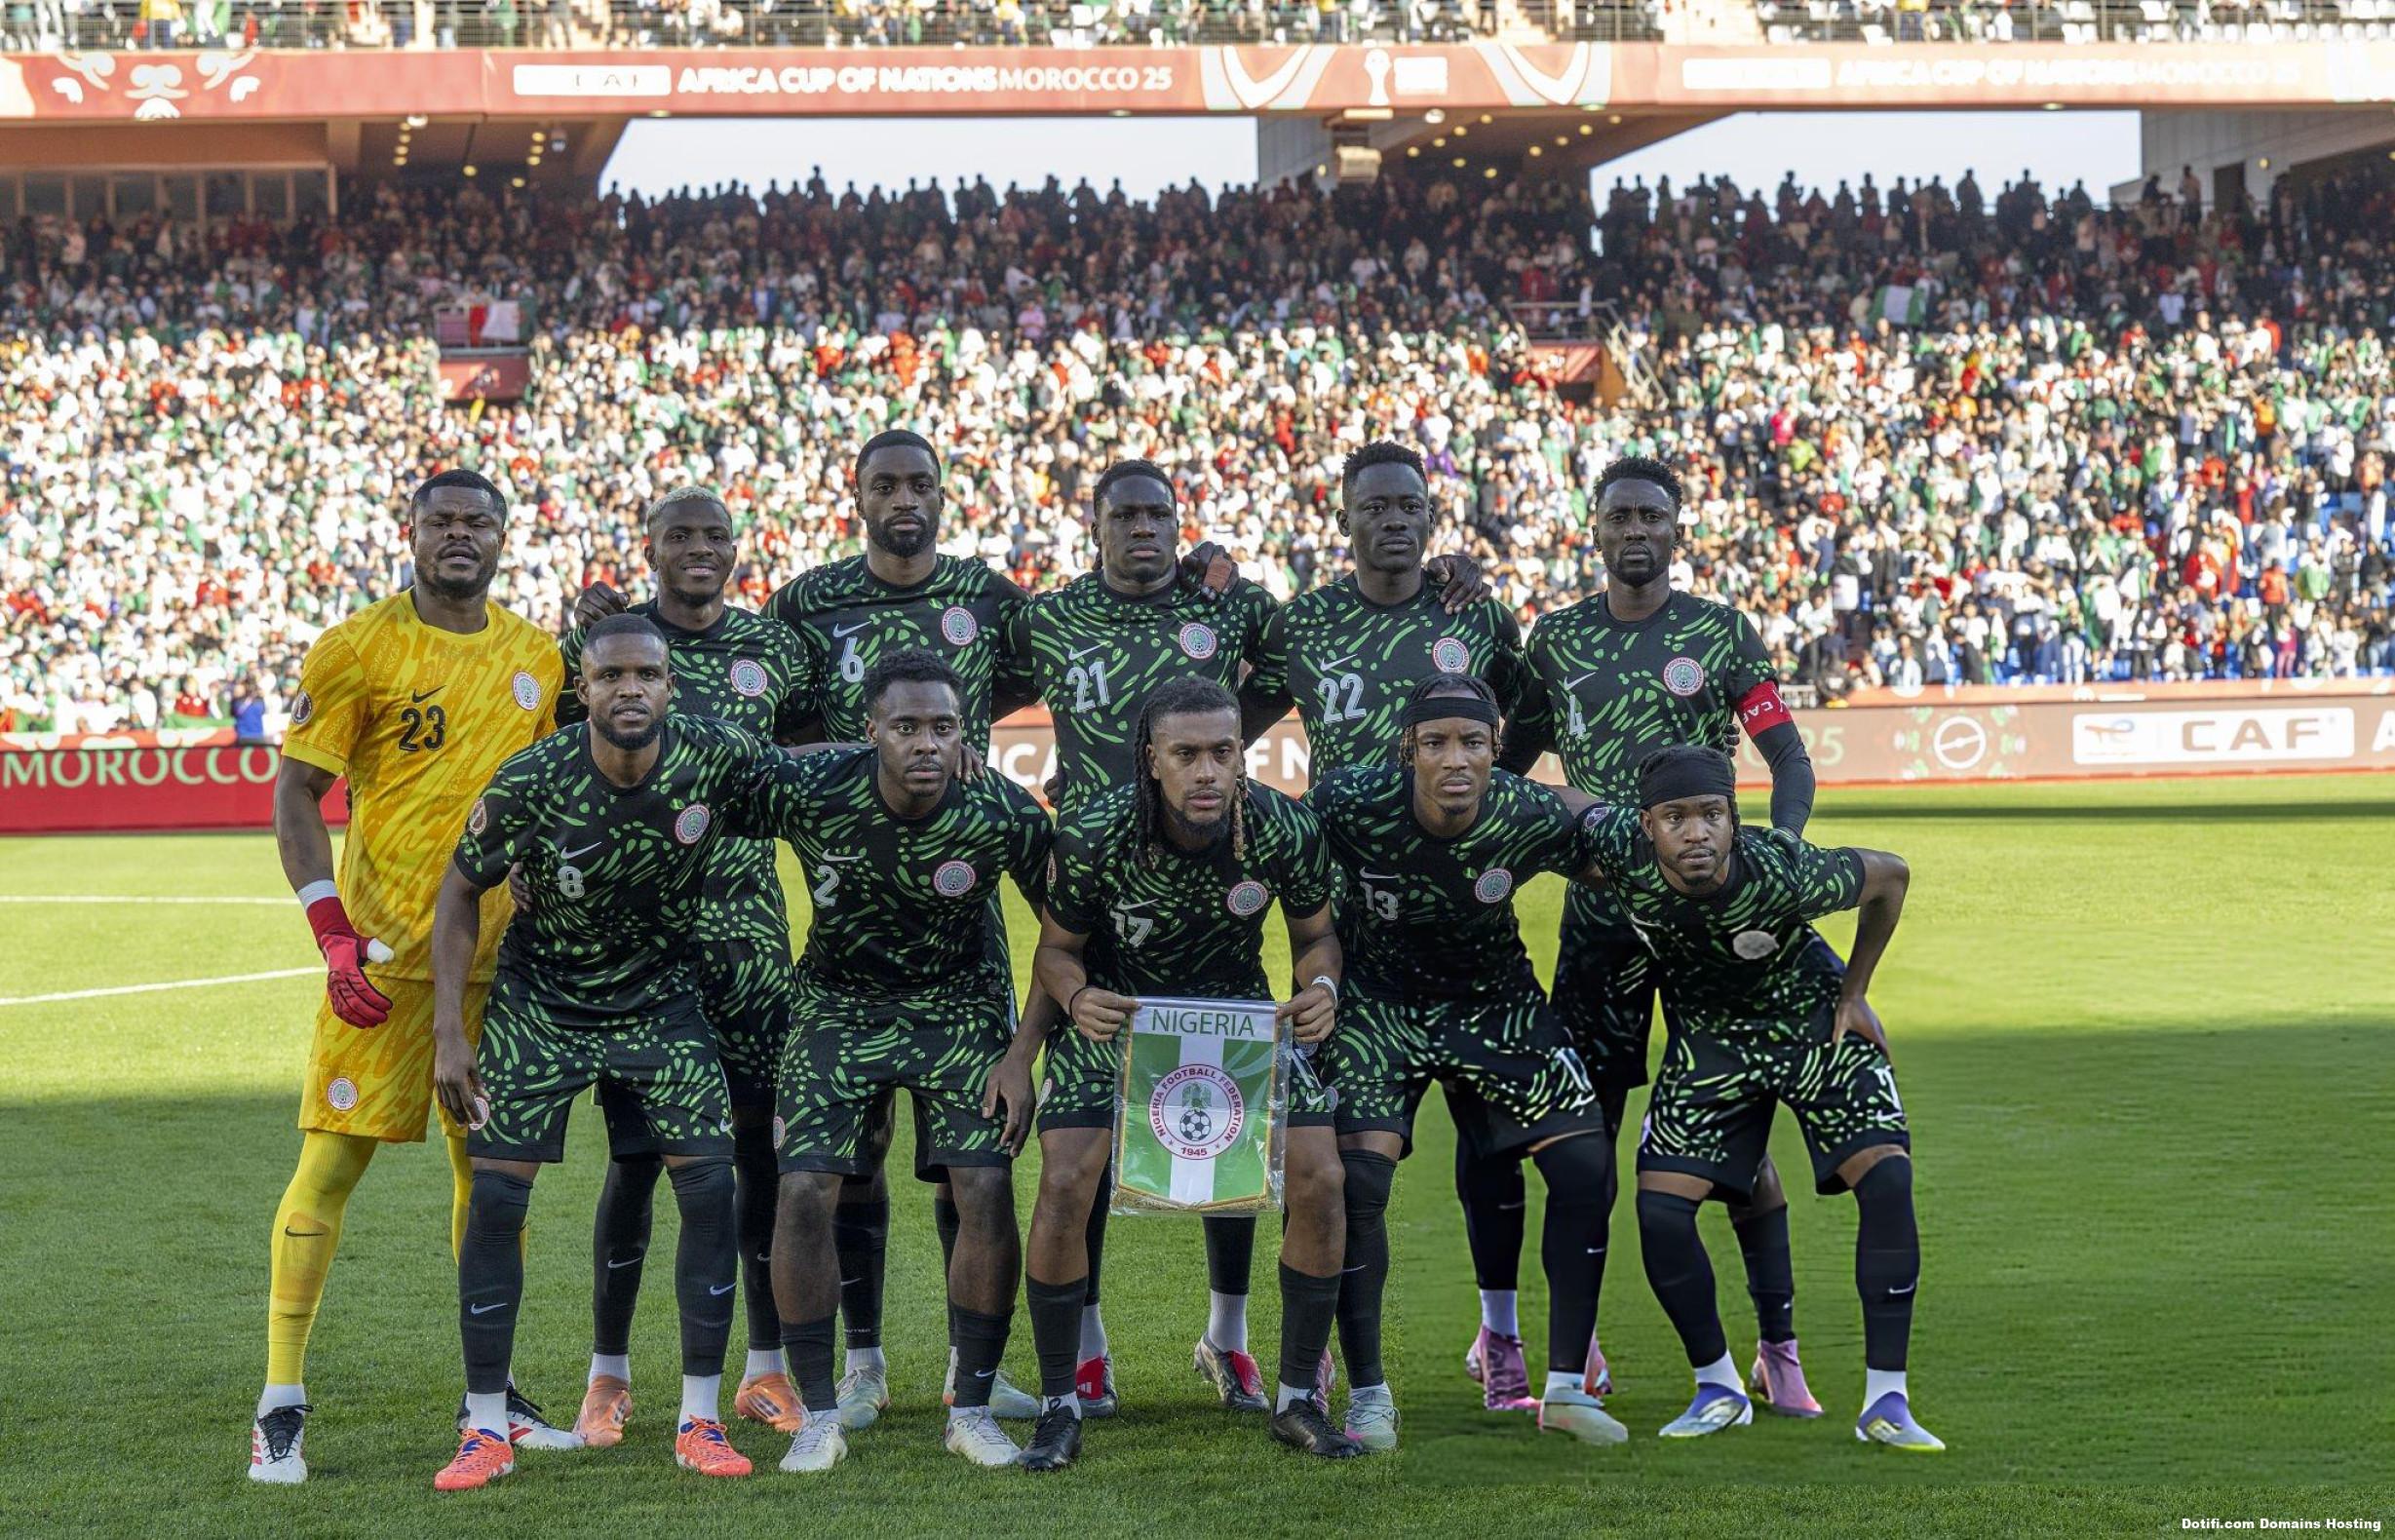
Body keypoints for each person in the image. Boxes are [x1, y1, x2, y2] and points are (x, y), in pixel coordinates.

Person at [250, 469, 571, 1484]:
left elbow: (550, 800)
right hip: (383, 967)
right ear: (413, 534)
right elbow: (296, 792)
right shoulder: (357, 647)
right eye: (442, 521)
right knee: (330, 1168)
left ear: (504, 538)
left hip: (498, 972)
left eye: (479, 521)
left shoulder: (538, 656)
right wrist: (330, 930)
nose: (460, 536)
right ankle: (279, 1403)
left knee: (492, 1181)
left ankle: (493, 1395)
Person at [427, 613, 786, 1490]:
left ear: (670, 687)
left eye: (646, 675)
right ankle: (485, 1428)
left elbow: (815, 779)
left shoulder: (713, 754)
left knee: (710, 1188)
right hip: (542, 1003)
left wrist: (931, 753)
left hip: (660, 999)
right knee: (496, 1200)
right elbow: (460, 890)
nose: (630, 689)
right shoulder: (532, 777)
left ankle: (699, 1418)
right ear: (580, 689)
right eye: (611, 675)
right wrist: (449, 1032)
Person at [1499, 453, 1821, 1414]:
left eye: (1652, 516)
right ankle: (1578, 1349)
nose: (1636, 530)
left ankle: (1777, 1348)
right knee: (1581, 1144)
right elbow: (1508, 768)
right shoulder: (1556, 640)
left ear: (1677, 528)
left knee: (1738, 1140)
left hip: (1707, 931)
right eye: (1620, 516)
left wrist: (1780, 855)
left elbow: (1788, 757)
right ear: (1594, 529)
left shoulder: (1719, 632)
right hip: (1601, 927)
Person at [1239, 439, 1544, 1414]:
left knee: (1491, 1146)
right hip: (1346, 927)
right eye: (1374, 506)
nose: (1395, 520)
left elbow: (1531, 717)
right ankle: (1328, 1344)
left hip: (1463, 923)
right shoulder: (1304, 622)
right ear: (1345, 518)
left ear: (1430, 514)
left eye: (1410, 504)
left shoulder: (1474, 612)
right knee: (1341, 1157)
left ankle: (1499, 1335)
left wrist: (1481, 802)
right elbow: (1229, 716)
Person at [1006, 677, 1354, 1470]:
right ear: (1151, 759)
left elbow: (1316, 938)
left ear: (1241, 754)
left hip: (1237, 1019)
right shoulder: (1096, 832)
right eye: (1186, 754)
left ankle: (1296, 1399)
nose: (1206, 771)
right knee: (1065, 1177)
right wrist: (1078, 996)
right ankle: (1061, 1405)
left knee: (1322, 1176)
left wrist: (1321, 990)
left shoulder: (1283, 828)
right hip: (1121, 1017)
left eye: (1222, 752)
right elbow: (1055, 951)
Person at [1002, 458, 1284, 1414]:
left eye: (1157, 514)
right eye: (1123, 515)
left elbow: (1287, 673)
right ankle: (1086, 1350)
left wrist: (1214, 757)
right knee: (1079, 1150)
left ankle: (1228, 1340)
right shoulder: (1047, 618)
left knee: (1227, 1131)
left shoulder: (1227, 605)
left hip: (1206, 890)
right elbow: (971, 685)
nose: (1142, 529)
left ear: (1177, 521)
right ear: (1095, 525)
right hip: (1095, 895)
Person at [558, 488, 822, 1448]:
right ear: (651, 548)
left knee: (759, 1156)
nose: (699, 549)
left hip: (750, 943)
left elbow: (812, 768)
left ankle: (763, 1368)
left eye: (715, 534)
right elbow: (559, 764)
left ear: (736, 547)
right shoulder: (608, 642)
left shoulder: (776, 649)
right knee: (634, 1162)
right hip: (640, 943)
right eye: (680, 535)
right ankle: (608, 1375)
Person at [745, 650, 1053, 1473]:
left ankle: (972, 1407)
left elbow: (1064, 937)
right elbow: (699, 788)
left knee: (983, 1184)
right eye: (906, 727)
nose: (926, 744)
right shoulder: (813, 787)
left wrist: (1021, 1054)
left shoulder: (1001, 810)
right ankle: (818, 1415)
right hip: (836, 1004)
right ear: (871, 730)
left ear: (965, 735)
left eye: (943, 728)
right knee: (803, 1190)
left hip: (957, 1006)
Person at [1579, 746, 1938, 1451]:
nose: (1696, 833)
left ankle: (1887, 1401)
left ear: (1732, 819)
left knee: (1888, 1177)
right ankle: (1717, 1386)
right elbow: (1560, 806)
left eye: (1712, 814)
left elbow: (1891, 876)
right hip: (1711, 1034)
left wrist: (1855, 991)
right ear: (1646, 824)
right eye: (1676, 818)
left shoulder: (1783, 869)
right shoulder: (1618, 849)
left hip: (1811, 1017)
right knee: (1660, 1209)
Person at [1308, 675, 1626, 1451]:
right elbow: (1271, 845)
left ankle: (1564, 1389)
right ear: (1407, 751)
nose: (1455, 759)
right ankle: (1367, 1394)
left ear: (1495, 750)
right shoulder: (1348, 802)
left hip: (1494, 1002)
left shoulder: (1524, 811)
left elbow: (1608, 853)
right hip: (1377, 1001)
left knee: (1586, 1167)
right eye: (1436, 743)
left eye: (1473, 743)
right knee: (1357, 1184)